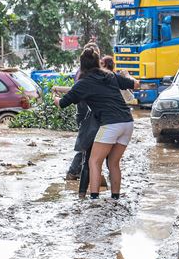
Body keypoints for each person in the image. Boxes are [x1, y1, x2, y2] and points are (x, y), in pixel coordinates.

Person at [54, 46, 140, 199]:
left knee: (94, 161)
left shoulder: (83, 83)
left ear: (82, 65)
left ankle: (94, 199)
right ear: (97, 62)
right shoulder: (110, 76)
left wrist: (54, 98)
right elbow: (136, 84)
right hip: (127, 122)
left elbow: (62, 103)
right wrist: (127, 75)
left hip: (110, 124)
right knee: (113, 163)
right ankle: (115, 198)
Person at [63, 42, 101, 180]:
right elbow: (72, 96)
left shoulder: (83, 72)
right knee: (86, 146)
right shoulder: (86, 75)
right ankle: (74, 172)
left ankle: (81, 174)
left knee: (88, 145)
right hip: (86, 114)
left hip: (83, 113)